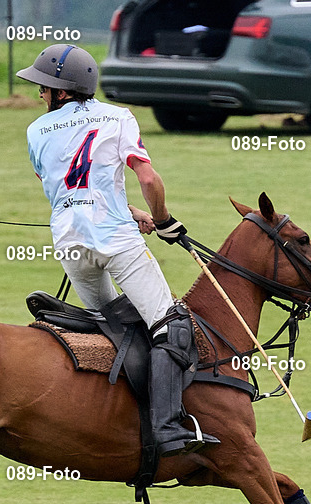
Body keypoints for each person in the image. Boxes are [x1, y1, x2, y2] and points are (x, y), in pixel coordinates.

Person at [16, 44, 219, 458]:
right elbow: (148, 177)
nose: (40, 94)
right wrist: (162, 221)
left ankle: (117, 422)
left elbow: (70, 189)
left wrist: (132, 213)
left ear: (61, 91)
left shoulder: (36, 132)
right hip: (117, 242)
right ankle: (166, 430)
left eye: (44, 87)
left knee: (113, 329)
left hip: (71, 246)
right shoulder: (118, 117)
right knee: (172, 329)